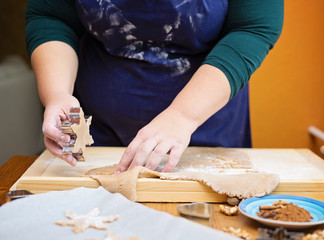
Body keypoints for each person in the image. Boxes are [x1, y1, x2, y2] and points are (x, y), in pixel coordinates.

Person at [26, 0, 283, 173]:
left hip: (207, 120)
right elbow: (51, 17)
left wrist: (183, 115)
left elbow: (252, 28)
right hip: (99, 125)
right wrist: (57, 94)